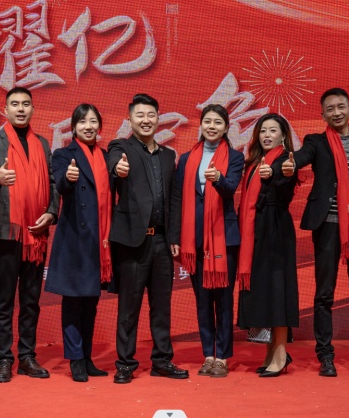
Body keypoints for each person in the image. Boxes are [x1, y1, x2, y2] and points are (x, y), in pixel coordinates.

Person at [282, 87, 349, 377]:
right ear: (322, 114)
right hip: (327, 225)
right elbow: (302, 157)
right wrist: (291, 163)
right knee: (324, 293)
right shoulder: (316, 142)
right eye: (330, 109)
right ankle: (325, 356)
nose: (336, 113)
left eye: (341, 107)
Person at [0, 87, 58, 383]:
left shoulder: (42, 143)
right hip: (7, 232)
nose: (21, 109)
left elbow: (52, 182)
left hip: (37, 232)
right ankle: (3, 359)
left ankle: (27, 357)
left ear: (33, 109)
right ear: (6, 109)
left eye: (26, 104)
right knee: (4, 301)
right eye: (15, 104)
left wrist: (52, 213)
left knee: (31, 300)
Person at [108, 94, 189, 384]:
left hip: (162, 242)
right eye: (140, 115)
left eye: (151, 115)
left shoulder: (168, 156)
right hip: (133, 241)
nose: (146, 120)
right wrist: (117, 168)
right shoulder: (121, 147)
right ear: (130, 119)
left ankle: (162, 361)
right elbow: (113, 163)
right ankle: (125, 363)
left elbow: (174, 199)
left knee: (162, 306)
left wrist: (175, 236)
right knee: (129, 307)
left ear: (158, 118)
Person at [170, 105, 245, 378]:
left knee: (223, 300)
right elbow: (177, 198)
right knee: (202, 301)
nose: (212, 126)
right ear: (201, 125)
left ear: (226, 128)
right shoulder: (186, 158)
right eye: (207, 122)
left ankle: (222, 356)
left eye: (218, 122)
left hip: (224, 238)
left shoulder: (235, 157)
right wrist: (175, 236)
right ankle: (208, 355)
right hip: (195, 239)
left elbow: (231, 189)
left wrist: (218, 180)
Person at [47, 104, 112, 382]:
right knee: (74, 301)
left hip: (100, 239)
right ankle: (75, 358)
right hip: (75, 237)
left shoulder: (106, 157)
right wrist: (69, 179)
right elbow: (61, 184)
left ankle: (86, 356)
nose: (88, 126)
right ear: (73, 127)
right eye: (83, 121)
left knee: (91, 302)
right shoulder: (63, 154)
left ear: (99, 126)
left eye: (93, 121)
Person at [236, 113, 299, 378]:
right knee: (265, 290)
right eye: (263, 131)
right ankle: (271, 352)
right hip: (257, 230)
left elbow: (285, 183)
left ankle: (281, 354)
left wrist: (275, 174)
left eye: (273, 130)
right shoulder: (253, 163)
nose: (267, 135)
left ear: (283, 135)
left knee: (278, 291)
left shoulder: (285, 161)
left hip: (276, 230)